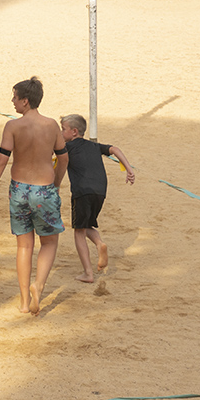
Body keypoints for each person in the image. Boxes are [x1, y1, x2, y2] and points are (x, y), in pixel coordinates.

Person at [0, 77, 67, 316]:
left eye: (15, 98)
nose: (12, 101)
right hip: (44, 187)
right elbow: (63, 157)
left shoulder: (12, 127)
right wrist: (57, 183)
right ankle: (38, 286)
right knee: (49, 242)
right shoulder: (51, 125)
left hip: (19, 189)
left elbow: (2, 160)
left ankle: (22, 301)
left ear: (25, 101)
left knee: (24, 245)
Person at [60, 114, 134, 283]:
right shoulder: (94, 146)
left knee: (78, 231)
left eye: (63, 129)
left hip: (82, 191)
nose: (60, 132)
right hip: (100, 191)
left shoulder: (67, 147)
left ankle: (88, 273)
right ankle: (100, 244)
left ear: (74, 132)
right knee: (85, 224)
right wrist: (129, 168)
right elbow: (114, 149)